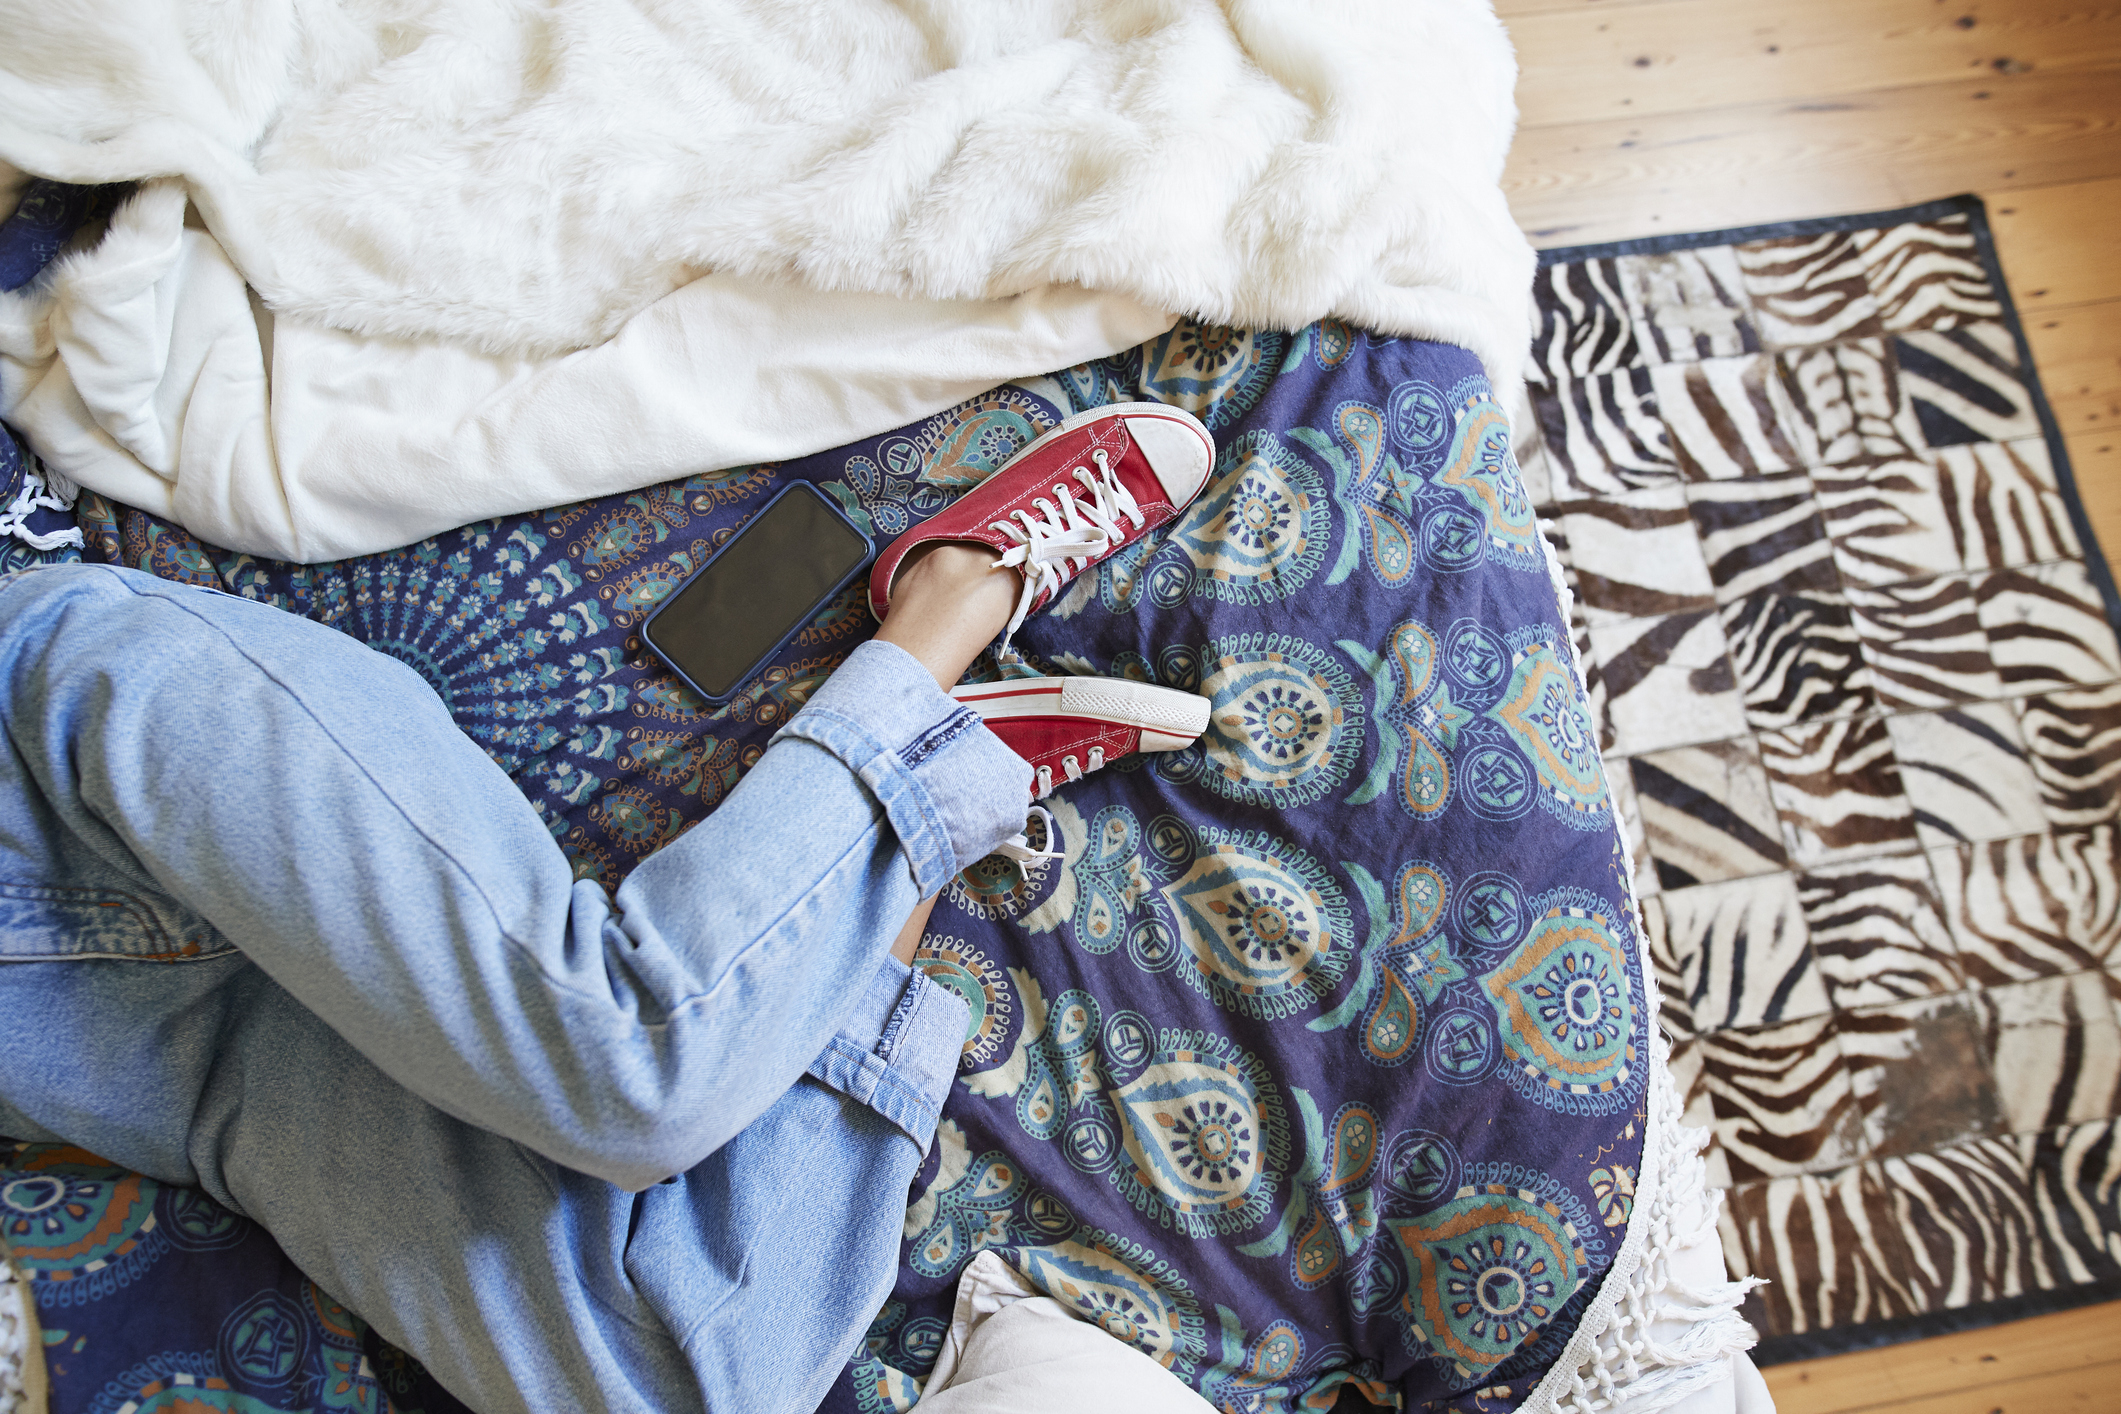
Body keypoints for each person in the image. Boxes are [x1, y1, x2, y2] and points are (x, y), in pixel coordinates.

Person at [0, 404, 1216, 1413]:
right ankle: (918, 807)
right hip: (180, 1049)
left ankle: (940, 614)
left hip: (77, 770)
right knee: (707, 1391)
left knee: (631, 1067)